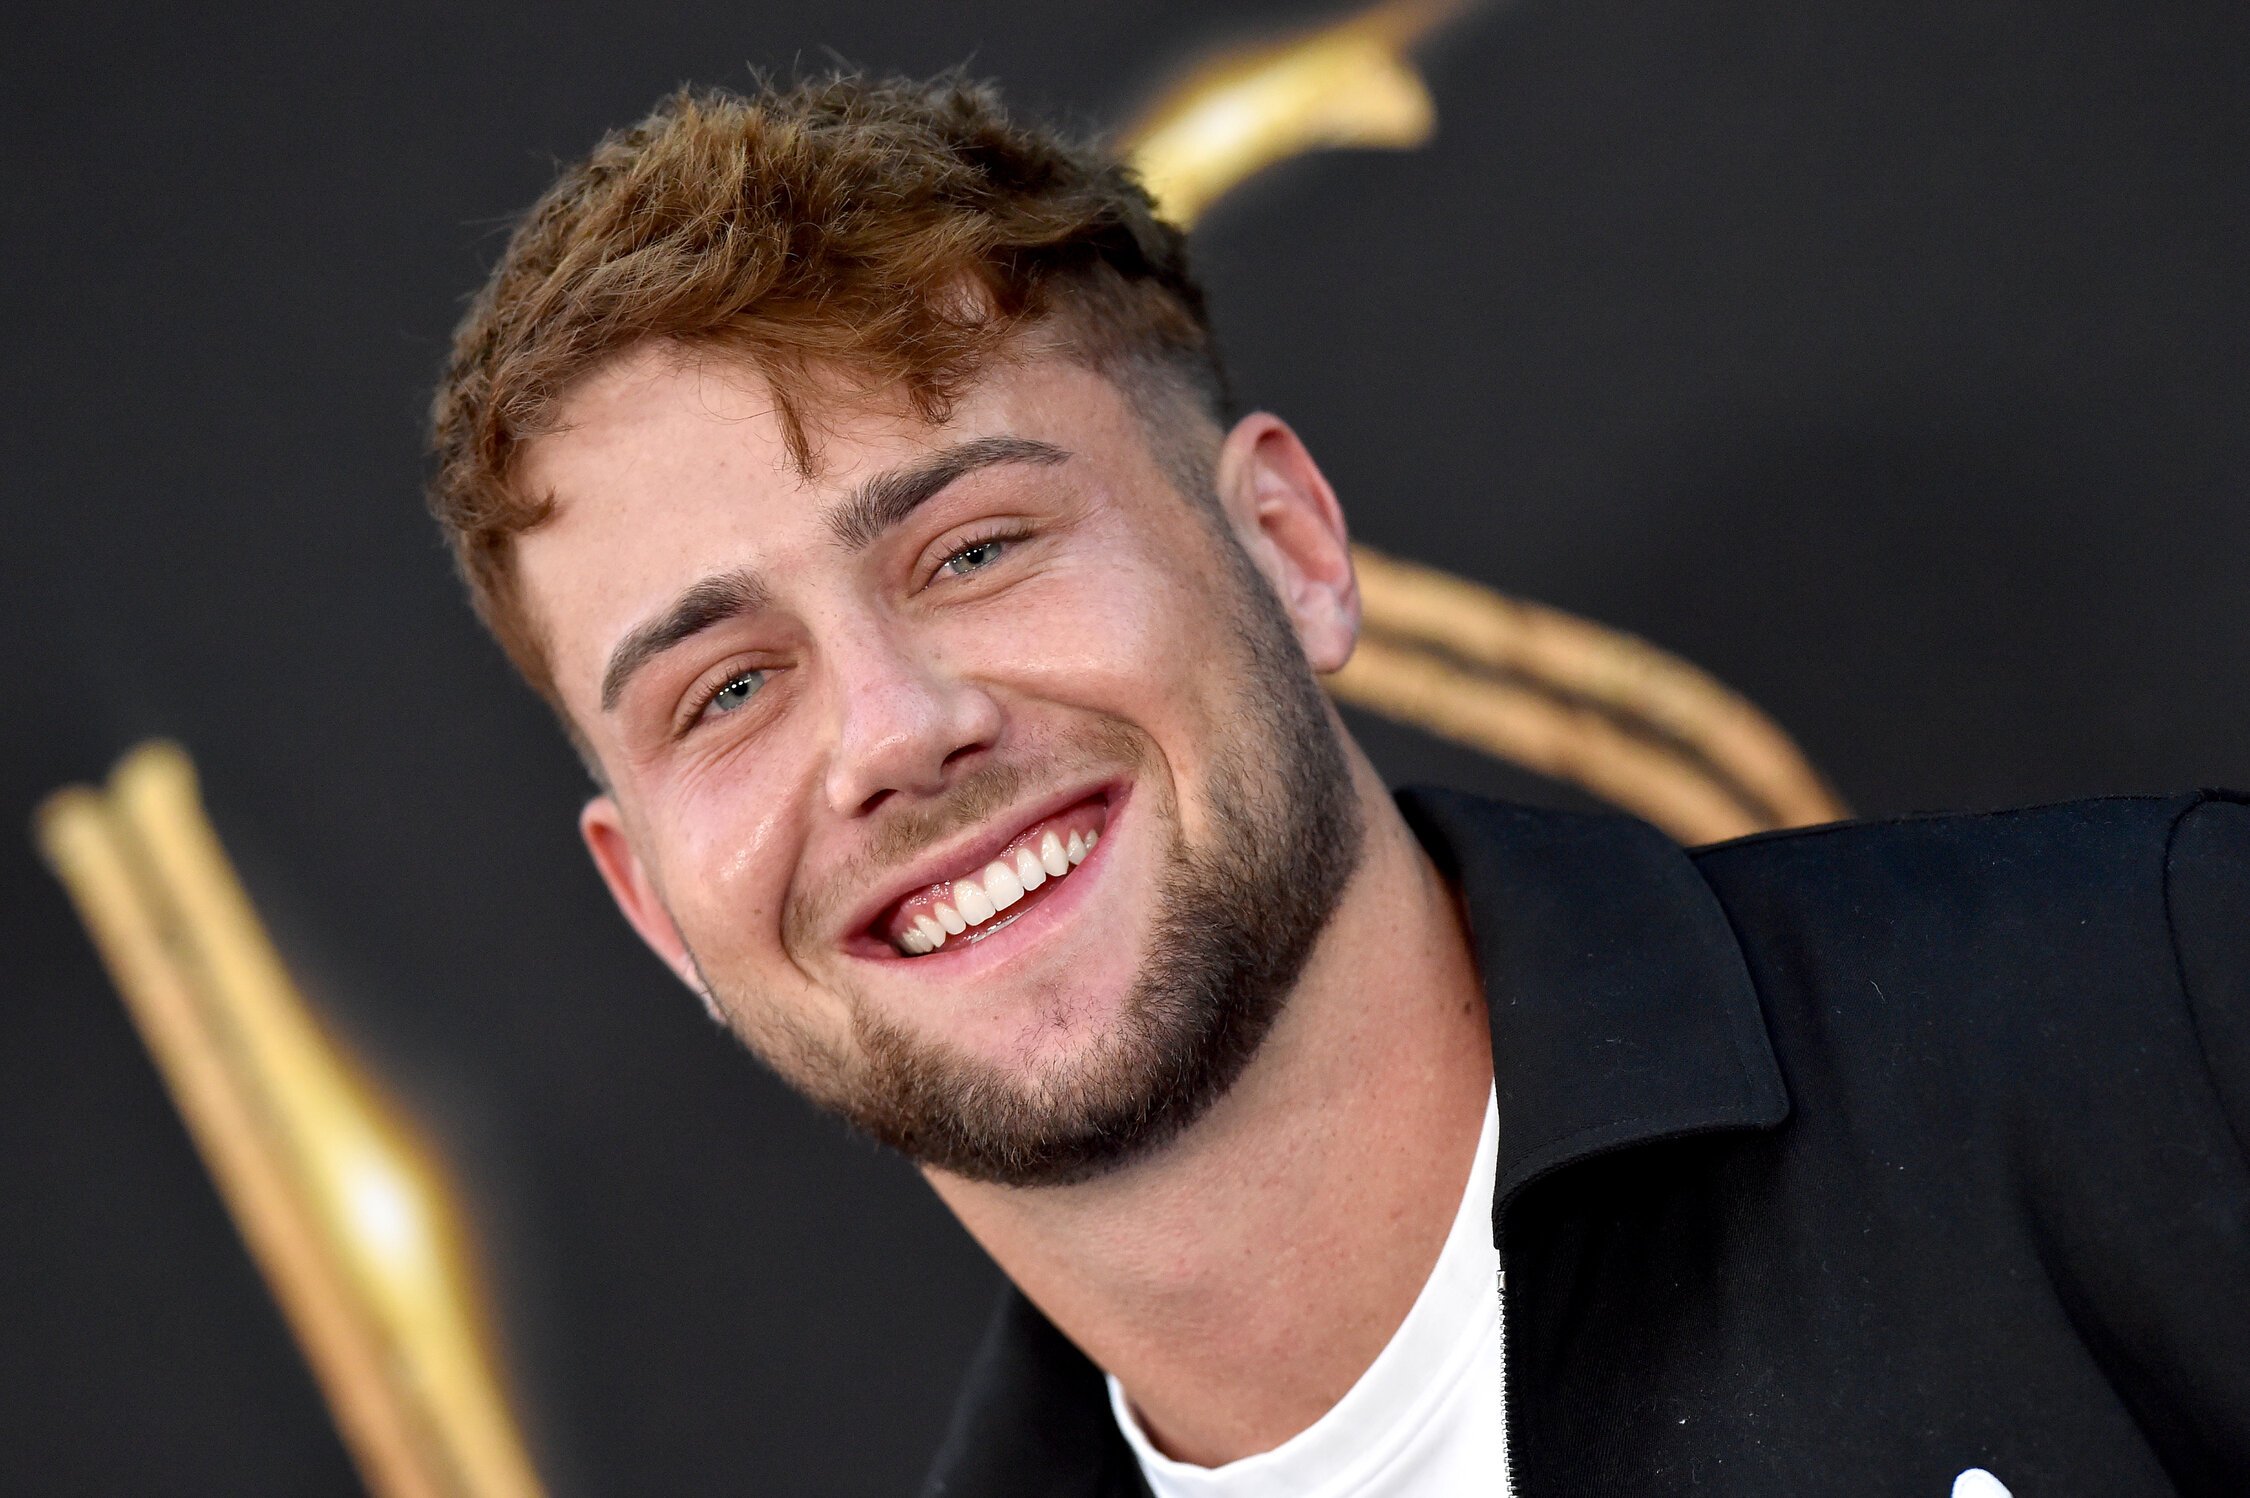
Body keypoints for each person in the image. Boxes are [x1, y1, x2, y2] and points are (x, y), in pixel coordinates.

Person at [424, 74, 2250, 1497]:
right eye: (728, 686)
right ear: (653, 901)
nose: (894, 732)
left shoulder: (2158, 1022)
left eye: (973, 548)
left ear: (1286, 546)